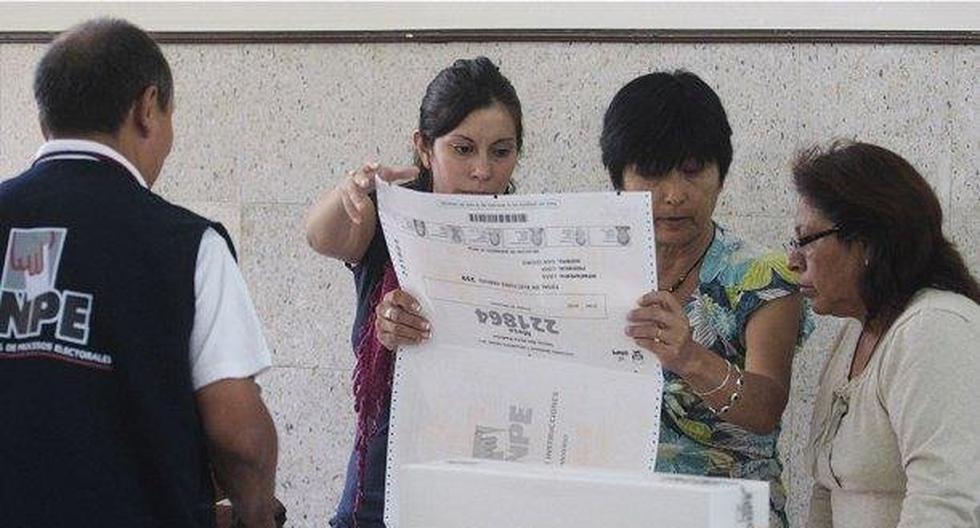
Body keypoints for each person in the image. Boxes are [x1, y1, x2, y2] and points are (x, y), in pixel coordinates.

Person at [0, 19, 281, 528]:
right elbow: (238, 437)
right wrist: (255, 514)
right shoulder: (188, 245)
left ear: (45, 119)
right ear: (147, 107)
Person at [305, 56, 523, 528]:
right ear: (424, 148)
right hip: (382, 490)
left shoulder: (531, 240)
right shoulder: (391, 221)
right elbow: (319, 236)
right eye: (463, 150)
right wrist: (354, 190)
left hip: (492, 487)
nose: (483, 171)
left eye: (501, 152)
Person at [602, 71, 810, 528]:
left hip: (727, 515)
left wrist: (689, 356)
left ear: (721, 175)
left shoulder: (760, 276)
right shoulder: (587, 266)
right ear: (618, 178)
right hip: (611, 508)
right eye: (652, 173)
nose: (675, 194)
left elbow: (764, 407)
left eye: (694, 171)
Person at [792, 142, 980, 528]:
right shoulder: (854, 333)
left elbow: (944, 504)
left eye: (806, 240)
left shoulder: (936, 329)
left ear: (868, 244)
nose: (793, 260)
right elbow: (826, 492)